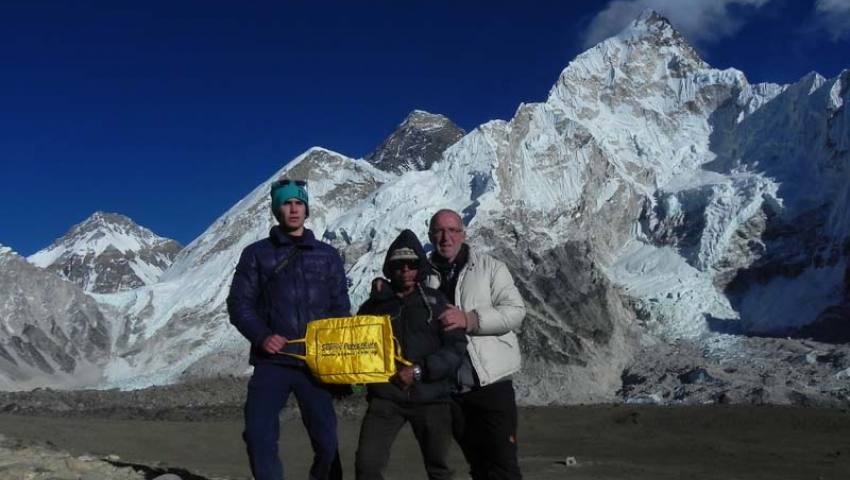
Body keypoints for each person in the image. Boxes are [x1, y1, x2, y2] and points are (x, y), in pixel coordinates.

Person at [227, 178, 351, 480]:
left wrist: (339, 361)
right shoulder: (256, 254)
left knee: (327, 442)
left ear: (306, 209)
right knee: (259, 435)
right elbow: (239, 304)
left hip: (315, 363)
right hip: (273, 362)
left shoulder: (327, 255)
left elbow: (339, 310)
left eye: (299, 203)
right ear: (275, 209)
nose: (293, 209)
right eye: (286, 203)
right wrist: (262, 335)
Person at [355, 229, 467, 480]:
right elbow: (357, 346)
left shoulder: (436, 302)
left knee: (440, 468)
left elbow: (456, 347)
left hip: (432, 398)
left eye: (412, 264)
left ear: (421, 267)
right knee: (367, 466)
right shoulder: (373, 307)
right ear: (389, 268)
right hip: (386, 397)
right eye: (398, 266)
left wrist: (419, 371)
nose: (405, 271)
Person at [427, 209, 527, 480]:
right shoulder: (424, 277)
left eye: (452, 230)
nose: (446, 238)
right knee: (478, 467)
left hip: (491, 384)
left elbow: (516, 311)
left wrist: (470, 319)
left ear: (463, 234)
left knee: (504, 467)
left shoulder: (491, 268)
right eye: (439, 231)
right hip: (451, 391)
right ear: (430, 235)